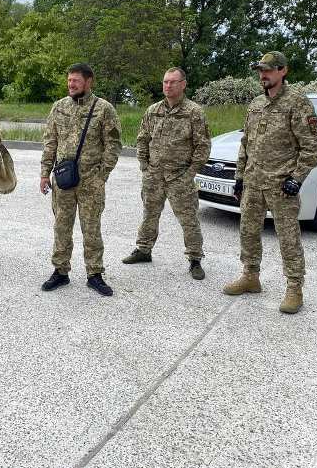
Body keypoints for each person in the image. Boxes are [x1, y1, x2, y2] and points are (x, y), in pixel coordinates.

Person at [223, 51, 317, 314]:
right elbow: (246, 144)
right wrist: (239, 178)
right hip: (254, 183)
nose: (263, 75)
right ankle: (250, 276)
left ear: (283, 71)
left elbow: (311, 147)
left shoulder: (297, 103)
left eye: (268, 70)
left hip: (281, 185)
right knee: (248, 232)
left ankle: (294, 287)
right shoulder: (256, 104)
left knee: (288, 238)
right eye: (260, 71)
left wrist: (297, 178)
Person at [40, 63, 122, 296]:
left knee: (91, 228)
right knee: (61, 227)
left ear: (89, 81)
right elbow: (50, 142)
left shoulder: (103, 109)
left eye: (75, 80)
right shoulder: (59, 107)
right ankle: (60, 271)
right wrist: (45, 173)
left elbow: (113, 145)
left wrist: (101, 175)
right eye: (69, 80)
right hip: (64, 180)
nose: (71, 84)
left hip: (90, 182)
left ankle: (94, 274)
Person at [122, 67, 211, 279]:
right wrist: (144, 164)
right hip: (154, 175)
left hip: (180, 176)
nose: (168, 86)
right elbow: (143, 138)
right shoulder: (153, 110)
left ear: (183, 84)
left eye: (173, 82)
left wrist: (190, 173)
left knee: (188, 219)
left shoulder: (193, 112)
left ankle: (195, 259)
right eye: (165, 82)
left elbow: (203, 146)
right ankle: (144, 250)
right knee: (149, 214)